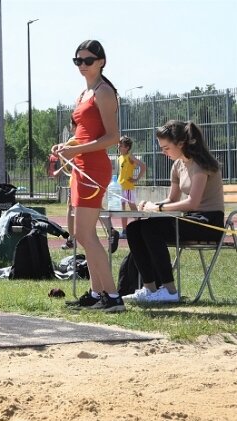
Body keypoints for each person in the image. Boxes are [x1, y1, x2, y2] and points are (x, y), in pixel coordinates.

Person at [51, 39, 123, 312]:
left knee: (84, 233)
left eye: (88, 60)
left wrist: (76, 148)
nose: (82, 65)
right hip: (80, 165)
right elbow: (83, 134)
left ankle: (113, 296)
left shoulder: (104, 92)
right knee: (82, 232)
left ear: (101, 61)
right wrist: (67, 146)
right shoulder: (83, 94)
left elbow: (112, 137)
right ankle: (96, 293)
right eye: (78, 61)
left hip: (93, 168)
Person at [124, 120, 224, 303]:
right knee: (134, 228)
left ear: (180, 144)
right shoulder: (177, 165)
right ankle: (150, 289)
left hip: (208, 223)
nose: (163, 152)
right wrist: (150, 205)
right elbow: (172, 199)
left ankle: (170, 291)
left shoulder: (201, 165)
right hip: (190, 219)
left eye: (166, 148)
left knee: (151, 229)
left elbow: (193, 203)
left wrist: (158, 208)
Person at [116, 135, 146, 237]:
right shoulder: (120, 157)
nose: (119, 147)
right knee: (122, 208)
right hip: (121, 186)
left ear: (127, 147)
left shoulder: (130, 156)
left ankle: (140, 228)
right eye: (118, 145)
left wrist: (136, 179)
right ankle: (124, 230)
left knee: (132, 207)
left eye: (121, 146)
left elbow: (143, 166)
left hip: (128, 187)